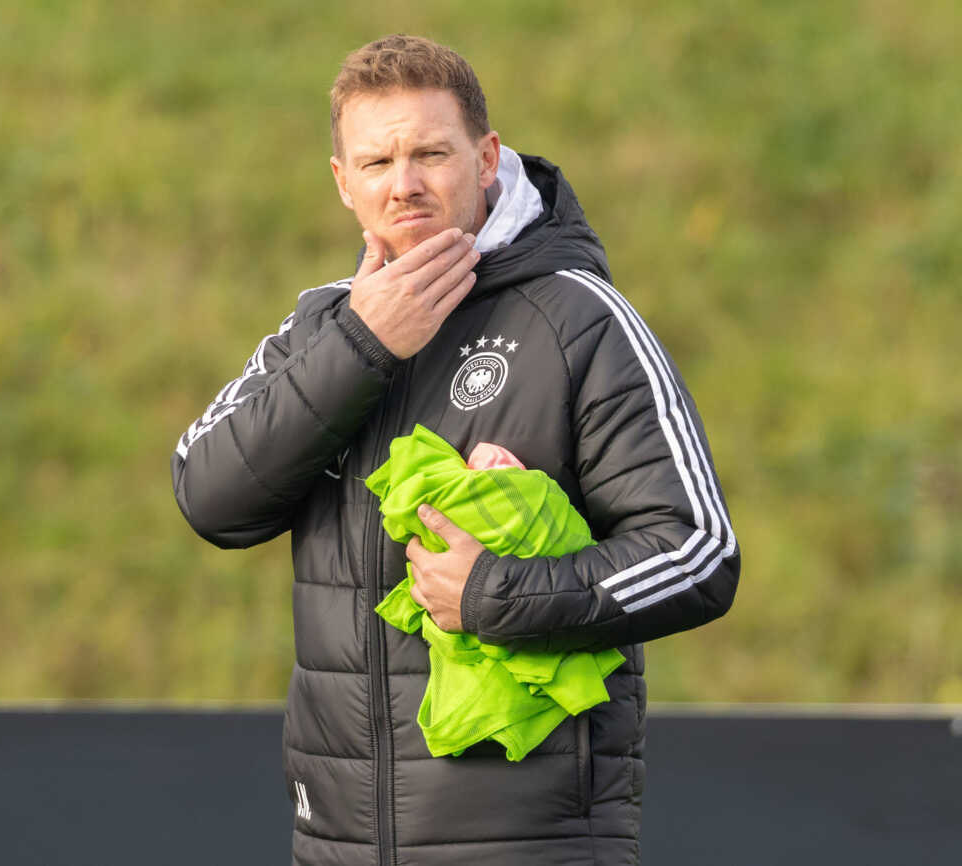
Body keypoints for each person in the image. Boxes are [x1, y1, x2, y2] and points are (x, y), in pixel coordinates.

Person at [172, 34, 739, 866]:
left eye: (430, 153)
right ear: (342, 184)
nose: (403, 184)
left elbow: (697, 553)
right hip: (339, 844)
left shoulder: (579, 319)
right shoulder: (320, 329)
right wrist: (364, 345)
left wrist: (497, 595)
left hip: (530, 844)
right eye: (375, 163)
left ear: (486, 159)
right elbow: (207, 495)